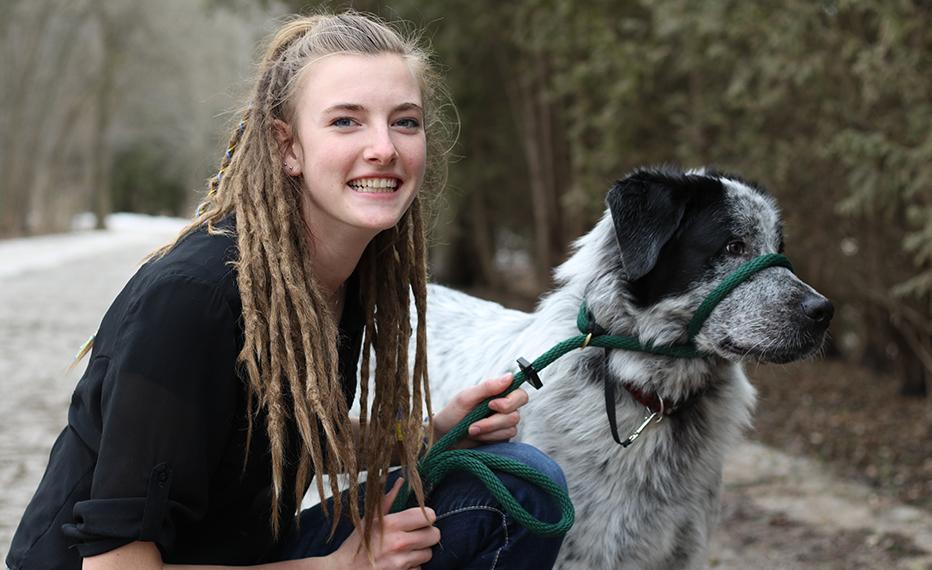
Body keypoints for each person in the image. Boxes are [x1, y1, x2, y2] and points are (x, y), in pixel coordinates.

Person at [6, 12, 567, 570]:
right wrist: (339, 566)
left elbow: (285, 438)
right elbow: (116, 565)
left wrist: (428, 434)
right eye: (346, 121)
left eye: (405, 122)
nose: (384, 148)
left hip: (245, 554)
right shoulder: (192, 300)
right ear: (286, 146)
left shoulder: (333, 280)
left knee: (515, 488)